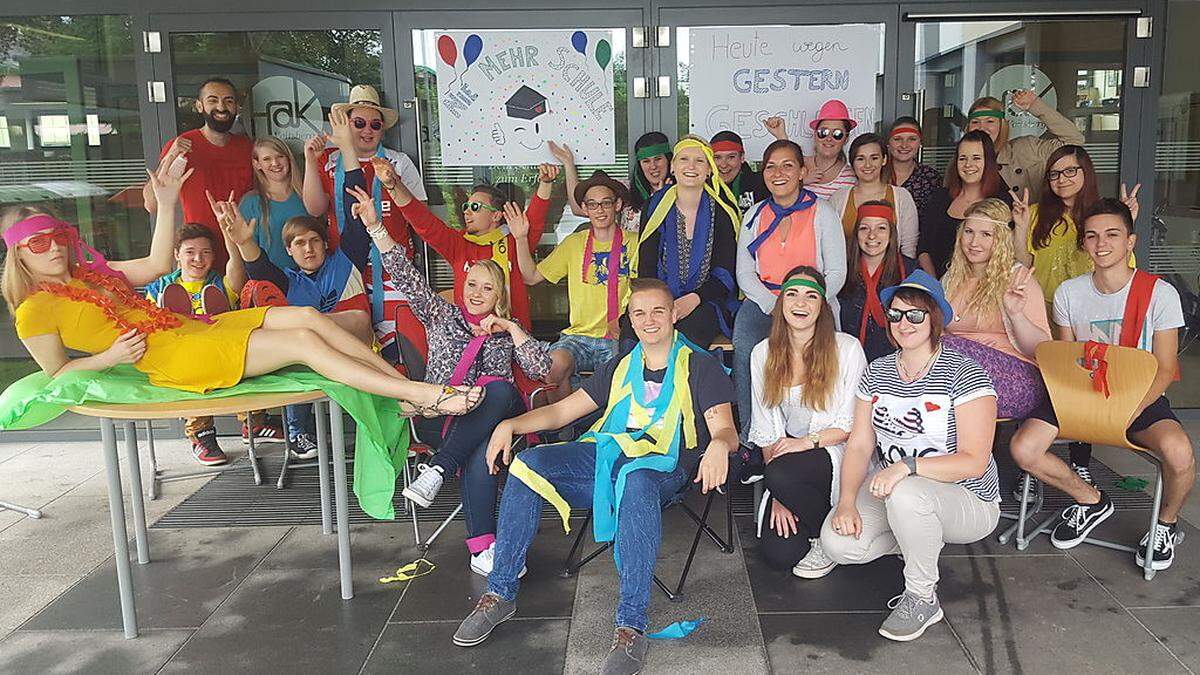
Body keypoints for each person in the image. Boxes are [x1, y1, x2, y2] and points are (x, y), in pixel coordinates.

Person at [2, 165, 485, 426]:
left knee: (309, 319)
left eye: (60, 236)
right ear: (17, 255)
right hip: (177, 358)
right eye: (39, 244)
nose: (56, 249)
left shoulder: (89, 274)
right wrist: (108, 356)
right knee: (304, 345)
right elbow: (57, 374)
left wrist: (167, 204)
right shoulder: (34, 309)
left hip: (191, 328)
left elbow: (155, 266)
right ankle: (426, 394)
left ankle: (407, 398)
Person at [452, 278, 736, 675]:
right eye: (639, 313)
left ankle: (631, 625)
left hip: (664, 467)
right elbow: (562, 412)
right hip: (606, 456)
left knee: (637, 481)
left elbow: (724, 429)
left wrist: (720, 445)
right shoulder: (620, 365)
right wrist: (511, 425)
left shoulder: (701, 366)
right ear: (631, 321)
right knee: (527, 465)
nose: (649, 320)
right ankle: (500, 594)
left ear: (674, 315)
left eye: (658, 311)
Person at [344, 184, 552, 577]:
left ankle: (437, 472)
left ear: (499, 296)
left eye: (487, 288)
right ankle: (482, 548)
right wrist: (375, 227)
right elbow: (405, 276)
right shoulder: (442, 316)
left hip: (491, 415)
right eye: (472, 284)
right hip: (440, 414)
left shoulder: (509, 331)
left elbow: (541, 369)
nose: (476, 293)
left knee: (502, 388)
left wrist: (511, 328)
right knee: (479, 453)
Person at [1010, 199, 1194, 571]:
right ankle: (1091, 500)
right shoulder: (1068, 293)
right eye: (1092, 236)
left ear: (1131, 241)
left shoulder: (1160, 294)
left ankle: (1166, 524)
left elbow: (1164, 368)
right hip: (1082, 394)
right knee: (1024, 448)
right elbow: (1067, 359)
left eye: (1112, 234)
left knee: (1179, 453)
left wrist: (1127, 409)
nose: (1101, 243)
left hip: (1138, 398)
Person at [822, 269, 1000, 642]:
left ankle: (921, 596)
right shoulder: (877, 372)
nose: (905, 322)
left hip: (967, 498)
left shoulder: (965, 373)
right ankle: (918, 538)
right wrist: (847, 501)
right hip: (897, 494)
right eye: (896, 314)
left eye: (915, 314)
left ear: (934, 318)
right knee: (838, 545)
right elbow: (859, 444)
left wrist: (908, 466)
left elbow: (975, 460)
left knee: (908, 493)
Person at [1009, 146, 1142, 485]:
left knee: (1079, 384)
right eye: (1055, 173)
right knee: (1044, 385)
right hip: (1042, 313)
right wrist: (1022, 227)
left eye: (1070, 171)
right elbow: (1023, 265)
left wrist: (1127, 226)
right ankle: (1036, 462)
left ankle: (1079, 461)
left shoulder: (1101, 218)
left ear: (1086, 173)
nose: (1062, 179)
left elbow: (1122, 270)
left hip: (1085, 315)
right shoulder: (1038, 212)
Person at [223, 200, 375, 458]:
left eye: (314, 240)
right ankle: (297, 432)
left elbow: (357, 233)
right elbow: (259, 267)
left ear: (325, 244)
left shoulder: (345, 262)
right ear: (289, 250)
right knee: (297, 342)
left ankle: (373, 430)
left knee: (344, 320)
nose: (308, 248)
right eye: (299, 243)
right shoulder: (286, 280)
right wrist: (244, 243)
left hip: (358, 352)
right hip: (310, 362)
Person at [749, 266, 866, 578]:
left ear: (822, 307)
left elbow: (851, 425)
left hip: (835, 452)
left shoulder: (847, 349)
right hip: (786, 462)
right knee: (779, 554)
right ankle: (828, 535)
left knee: (784, 473)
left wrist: (804, 445)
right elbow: (766, 427)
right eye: (793, 294)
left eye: (811, 296)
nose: (801, 303)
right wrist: (780, 492)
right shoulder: (763, 353)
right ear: (781, 303)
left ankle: (829, 540)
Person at [302, 85, 427, 365]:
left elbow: (420, 216)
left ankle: (399, 404)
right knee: (350, 350)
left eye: (375, 124)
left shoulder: (399, 162)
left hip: (393, 271)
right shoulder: (330, 161)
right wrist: (310, 162)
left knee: (399, 349)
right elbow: (314, 209)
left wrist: (393, 184)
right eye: (358, 123)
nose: (367, 130)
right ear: (346, 124)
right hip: (345, 270)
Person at [143, 221, 283, 465]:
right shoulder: (159, 290)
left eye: (205, 252)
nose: (198, 258)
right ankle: (201, 433)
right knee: (189, 363)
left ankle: (255, 423)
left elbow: (236, 273)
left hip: (223, 352)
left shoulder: (220, 284)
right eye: (190, 252)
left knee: (245, 348)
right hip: (184, 359)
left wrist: (229, 236)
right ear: (177, 255)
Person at [734, 139, 844, 439]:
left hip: (814, 303)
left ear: (802, 172)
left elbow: (836, 273)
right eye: (770, 166)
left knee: (825, 356)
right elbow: (744, 272)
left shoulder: (823, 212)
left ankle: (819, 432)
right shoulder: (754, 215)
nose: (778, 172)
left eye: (787, 165)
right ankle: (752, 436)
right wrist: (773, 304)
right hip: (765, 302)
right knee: (745, 349)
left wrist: (806, 303)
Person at [510, 171, 637, 402]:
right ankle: (565, 432)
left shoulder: (636, 242)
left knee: (620, 379)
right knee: (554, 367)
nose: (599, 210)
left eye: (606, 203)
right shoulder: (574, 243)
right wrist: (520, 238)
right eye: (592, 204)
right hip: (578, 336)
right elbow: (531, 276)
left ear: (617, 205)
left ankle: (606, 432)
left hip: (617, 337)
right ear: (584, 209)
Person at [383, 162, 553, 331]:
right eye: (466, 206)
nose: (466, 211)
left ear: (496, 215)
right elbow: (423, 221)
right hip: (467, 339)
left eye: (475, 207)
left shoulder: (516, 239)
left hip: (513, 340)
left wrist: (545, 183)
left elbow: (536, 218)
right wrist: (393, 185)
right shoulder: (458, 243)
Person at [941, 198, 1051, 420]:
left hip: (1017, 378)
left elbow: (1041, 348)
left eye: (986, 234)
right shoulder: (950, 278)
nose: (974, 242)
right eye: (969, 232)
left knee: (943, 347)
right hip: (957, 378)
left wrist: (1016, 314)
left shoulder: (1018, 278)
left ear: (1000, 239)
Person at [634, 136, 741, 348]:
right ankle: (643, 382)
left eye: (700, 161)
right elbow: (646, 266)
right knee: (633, 333)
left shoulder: (723, 210)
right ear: (673, 167)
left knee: (688, 333)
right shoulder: (654, 206)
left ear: (710, 170)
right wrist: (660, 305)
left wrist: (693, 299)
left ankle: (682, 381)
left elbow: (725, 273)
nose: (691, 166)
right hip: (658, 300)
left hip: (706, 301)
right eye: (684, 159)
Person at [143, 77, 253, 268]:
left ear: (236, 107)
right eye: (213, 100)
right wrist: (170, 157)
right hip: (199, 258)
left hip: (244, 251)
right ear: (199, 106)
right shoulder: (182, 145)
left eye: (228, 101)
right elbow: (151, 204)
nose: (221, 107)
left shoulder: (247, 146)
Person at [919, 131, 1011, 276]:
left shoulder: (1003, 202)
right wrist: (935, 286)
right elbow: (923, 247)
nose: (968, 164)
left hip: (985, 289)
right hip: (939, 288)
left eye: (976, 158)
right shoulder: (940, 197)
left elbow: (1008, 253)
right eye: (963, 158)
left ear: (988, 161)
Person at [966, 92, 1084, 199]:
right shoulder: (962, 161)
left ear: (1002, 126)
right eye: (975, 122)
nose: (981, 127)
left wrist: (1035, 106)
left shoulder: (1026, 148)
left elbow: (1074, 140)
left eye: (990, 121)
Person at [839, 201, 918, 360]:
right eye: (864, 228)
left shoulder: (910, 272)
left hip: (895, 364)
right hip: (847, 360)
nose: (872, 235)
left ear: (891, 234)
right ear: (856, 234)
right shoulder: (841, 272)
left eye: (881, 228)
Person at [829, 133, 919, 258]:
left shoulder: (901, 197)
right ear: (852, 163)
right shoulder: (839, 198)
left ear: (884, 160)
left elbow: (909, 247)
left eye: (874, 158)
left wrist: (905, 276)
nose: (867, 165)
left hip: (892, 275)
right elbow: (829, 245)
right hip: (847, 274)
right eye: (860, 158)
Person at [238, 136, 308, 272]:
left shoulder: (305, 195)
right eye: (266, 159)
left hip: (310, 279)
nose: (275, 163)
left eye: (280, 156)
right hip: (270, 282)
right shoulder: (250, 203)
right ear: (257, 164)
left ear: (288, 158)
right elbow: (245, 253)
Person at [763, 99, 858, 199]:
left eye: (837, 134)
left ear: (846, 139)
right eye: (823, 132)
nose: (829, 138)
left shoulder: (850, 177)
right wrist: (801, 181)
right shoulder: (798, 165)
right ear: (815, 134)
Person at [550, 141, 641, 233]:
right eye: (646, 161)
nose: (653, 167)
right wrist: (568, 163)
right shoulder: (629, 190)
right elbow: (578, 208)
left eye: (656, 159)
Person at [883, 117, 941, 217]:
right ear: (888, 143)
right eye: (898, 139)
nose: (904, 145)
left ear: (920, 143)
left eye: (912, 139)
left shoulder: (931, 178)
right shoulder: (876, 172)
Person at [711, 130, 770, 211]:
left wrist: (781, 136)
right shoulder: (703, 187)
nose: (723, 165)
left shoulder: (761, 183)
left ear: (742, 157)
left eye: (731, 157)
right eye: (717, 157)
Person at [628, 131, 674, 213]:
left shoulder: (684, 195)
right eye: (646, 161)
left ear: (669, 160)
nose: (653, 166)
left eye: (658, 159)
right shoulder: (630, 205)